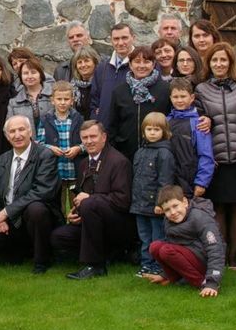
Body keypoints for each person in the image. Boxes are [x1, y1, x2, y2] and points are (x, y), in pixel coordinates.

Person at [0, 115, 61, 274]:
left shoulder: (45, 155)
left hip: (36, 217)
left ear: (30, 132)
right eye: (12, 131)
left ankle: (41, 260)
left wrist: (6, 212)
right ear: (7, 137)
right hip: (11, 221)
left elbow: (42, 192)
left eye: (21, 129)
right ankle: (19, 254)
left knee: (35, 209)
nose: (17, 135)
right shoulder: (2, 159)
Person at [196, 43, 236, 270]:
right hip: (217, 158)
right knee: (219, 207)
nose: (219, 64)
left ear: (231, 63)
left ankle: (234, 257)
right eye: (214, 60)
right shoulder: (201, 89)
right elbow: (200, 122)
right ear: (208, 64)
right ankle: (219, 255)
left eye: (223, 60)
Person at [51, 121, 133, 279]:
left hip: (118, 223)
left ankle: (95, 265)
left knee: (89, 203)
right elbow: (83, 196)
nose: (89, 141)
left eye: (93, 136)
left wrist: (90, 200)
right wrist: (76, 213)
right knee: (58, 237)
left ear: (104, 137)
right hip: (92, 220)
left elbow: (123, 200)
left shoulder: (119, 162)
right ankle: (108, 253)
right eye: (85, 137)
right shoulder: (83, 164)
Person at [142, 185, 225, 298]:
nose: (173, 212)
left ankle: (202, 282)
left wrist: (212, 282)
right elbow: (173, 246)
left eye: (175, 206)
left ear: (185, 202)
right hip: (187, 256)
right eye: (167, 210)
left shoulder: (200, 218)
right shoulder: (168, 221)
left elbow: (216, 250)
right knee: (155, 247)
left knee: (166, 250)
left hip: (204, 261)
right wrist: (165, 274)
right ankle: (173, 278)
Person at [101, 46, 171, 160]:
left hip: (157, 153)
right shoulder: (119, 91)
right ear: (130, 65)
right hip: (125, 153)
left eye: (146, 62)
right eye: (137, 62)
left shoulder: (165, 89)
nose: (141, 66)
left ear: (153, 64)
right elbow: (112, 125)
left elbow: (171, 120)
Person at [130, 111, 176, 276]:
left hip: (155, 206)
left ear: (164, 132)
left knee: (158, 237)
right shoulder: (140, 152)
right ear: (143, 131)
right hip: (139, 204)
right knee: (144, 237)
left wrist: (160, 203)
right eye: (149, 129)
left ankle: (158, 265)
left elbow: (165, 181)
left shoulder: (165, 153)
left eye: (157, 130)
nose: (152, 133)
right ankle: (146, 264)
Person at [167, 77, 215, 199]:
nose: (179, 100)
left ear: (192, 98)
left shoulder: (199, 123)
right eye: (176, 97)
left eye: (183, 96)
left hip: (190, 181)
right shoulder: (166, 121)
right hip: (169, 180)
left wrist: (201, 182)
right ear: (170, 98)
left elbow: (206, 155)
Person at [38, 81, 84, 187]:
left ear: (72, 101)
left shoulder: (79, 119)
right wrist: (50, 148)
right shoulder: (45, 120)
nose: (62, 102)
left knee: (75, 200)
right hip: (55, 170)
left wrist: (78, 148)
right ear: (52, 100)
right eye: (59, 99)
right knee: (56, 200)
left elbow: (86, 143)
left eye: (66, 99)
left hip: (74, 169)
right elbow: (39, 144)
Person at [90, 23, 136, 121]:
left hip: (130, 129)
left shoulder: (143, 67)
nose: (120, 42)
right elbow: (94, 101)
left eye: (124, 38)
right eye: (116, 39)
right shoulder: (102, 68)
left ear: (133, 38)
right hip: (105, 129)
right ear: (111, 41)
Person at [7, 56, 54, 127]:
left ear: (41, 75)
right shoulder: (13, 102)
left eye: (33, 72)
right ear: (21, 77)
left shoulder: (54, 94)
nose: (29, 76)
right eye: (25, 73)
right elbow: (9, 127)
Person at [68, 48, 99, 117]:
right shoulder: (72, 86)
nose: (83, 65)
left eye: (86, 61)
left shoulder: (100, 84)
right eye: (79, 62)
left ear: (95, 62)